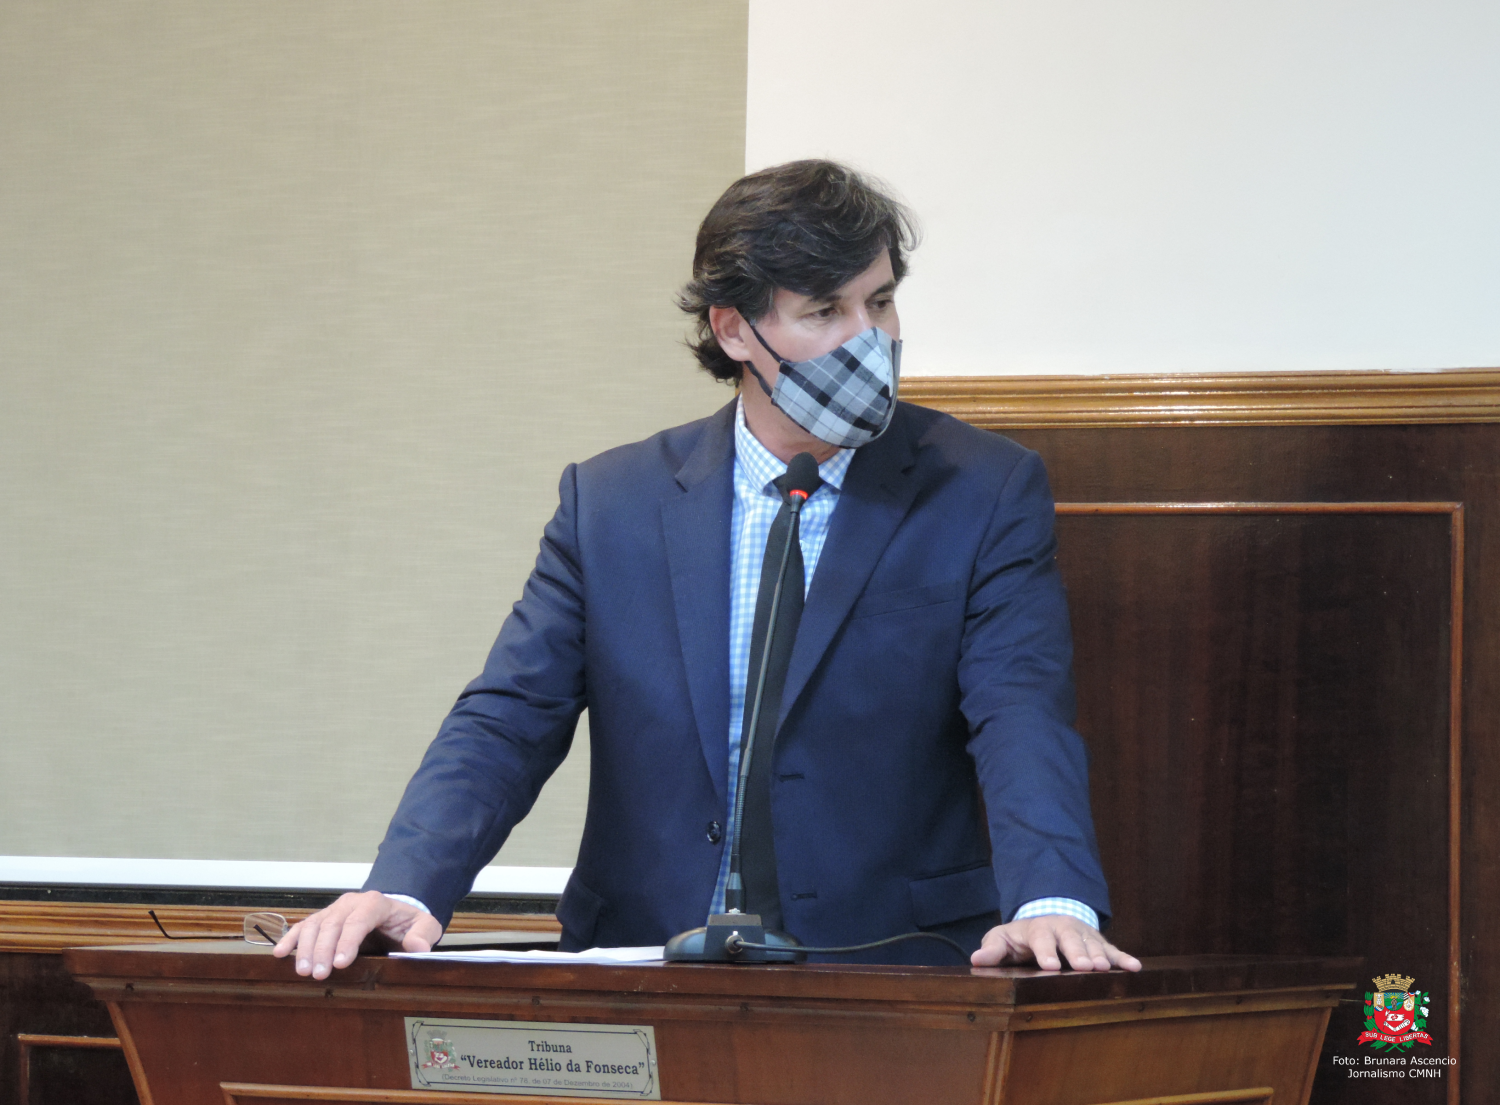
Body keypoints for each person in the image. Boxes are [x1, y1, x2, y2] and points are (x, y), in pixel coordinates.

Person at [275, 160, 1141, 980]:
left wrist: (1051, 899)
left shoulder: (982, 489)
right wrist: (407, 884)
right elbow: (510, 715)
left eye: (879, 302)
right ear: (734, 329)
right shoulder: (611, 502)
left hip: (892, 963)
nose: (868, 338)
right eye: (825, 310)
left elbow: (1021, 710)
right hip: (645, 962)